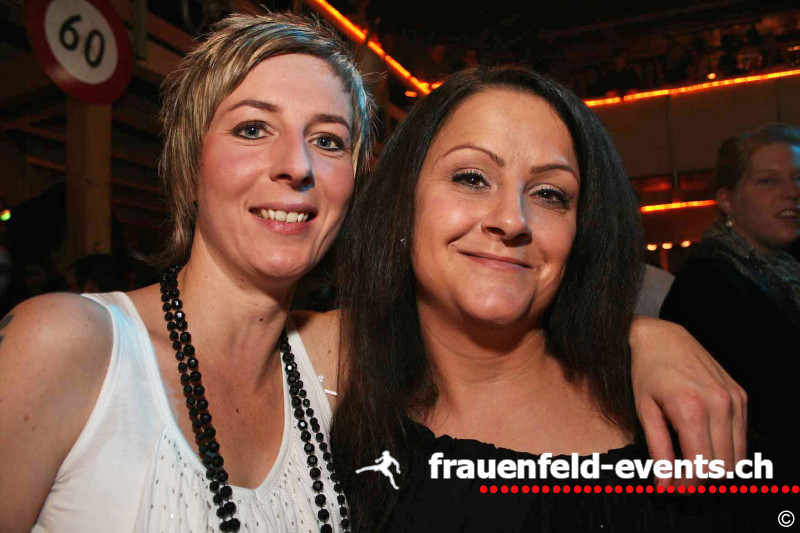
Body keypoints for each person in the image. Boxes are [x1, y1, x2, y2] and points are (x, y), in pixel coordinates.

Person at [0, 13, 745, 533]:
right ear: (189, 165)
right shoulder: (66, 344)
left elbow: (493, 325)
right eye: (253, 128)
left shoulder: (335, 363)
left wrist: (648, 337)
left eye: (328, 140)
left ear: (355, 188)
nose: (294, 165)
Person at [329, 66, 746, 531]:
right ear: (404, 199)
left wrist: (644, 335)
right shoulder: (319, 372)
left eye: (549, 193)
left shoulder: (664, 421)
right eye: (471, 178)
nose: (512, 220)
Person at [661, 124, 800, 484]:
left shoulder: (785, 266)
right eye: (768, 181)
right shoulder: (706, 285)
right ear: (726, 201)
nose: (792, 192)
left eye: (797, 178)